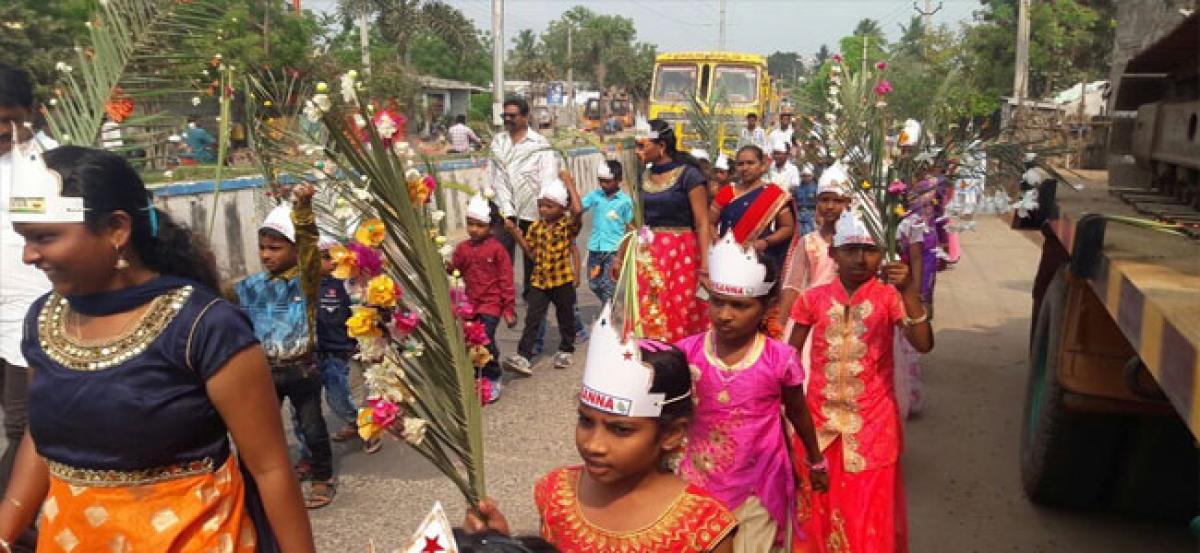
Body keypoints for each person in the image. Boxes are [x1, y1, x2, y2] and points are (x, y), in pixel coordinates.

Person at [0, 146, 315, 551]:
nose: (29, 256)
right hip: (72, 538)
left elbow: (271, 469)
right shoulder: (44, 319)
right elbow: (42, 435)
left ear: (117, 229)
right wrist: (8, 522)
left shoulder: (205, 326)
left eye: (45, 237)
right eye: (24, 238)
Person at [466, 306, 739, 552]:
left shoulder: (703, 528)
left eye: (620, 430)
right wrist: (506, 544)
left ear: (671, 434)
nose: (594, 445)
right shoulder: (557, 494)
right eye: (586, 421)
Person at [788, 211, 933, 553]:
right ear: (833, 254)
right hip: (817, 426)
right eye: (850, 249)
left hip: (872, 427)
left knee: (866, 512)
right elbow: (789, 359)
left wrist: (909, 290)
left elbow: (923, 343)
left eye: (869, 250)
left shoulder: (888, 297)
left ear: (881, 255)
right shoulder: (813, 298)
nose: (859, 258)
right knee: (815, 510)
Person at [677, 236, 827, 552]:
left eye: (740, 306)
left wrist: (815, 461)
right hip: (699, 479)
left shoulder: (779, 358)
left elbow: (797, 411)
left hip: (759, 482)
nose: (725, 315)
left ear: (766, 308)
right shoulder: (687, 353)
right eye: (717, 302)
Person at [234, 185, 336, 509]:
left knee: (312, 426)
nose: (266, 255)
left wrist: (303, 210)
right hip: (266, 373)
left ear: (294, 251)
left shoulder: (305, 281)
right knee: (260, 430)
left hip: (302, 371)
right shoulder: (252, 286)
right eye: (262, 247)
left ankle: (322, 477)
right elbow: (219, 297)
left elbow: (308, 245)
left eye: (275, 248)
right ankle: (248, 483)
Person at [0, 64, 56, 553]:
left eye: (3, 128)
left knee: (26, 429)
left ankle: (23, 534)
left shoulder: (55, 167)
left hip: (33, 317)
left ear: (31, 114)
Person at [632, 119, 712, 342]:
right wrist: (622, 258)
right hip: (648, 254)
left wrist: (705, 266)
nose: (638, 151)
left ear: (661, 146)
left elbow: (702, 222)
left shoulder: (689, 176)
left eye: (642, 145)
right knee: (647, 309)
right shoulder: (642, 178)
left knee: (679, 311)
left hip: (681, 254)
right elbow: (635, 223)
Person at [502, 175, 582, 374]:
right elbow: (530, 252)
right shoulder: (536, 227)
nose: (544, 210)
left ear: (562, 208)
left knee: (566, 316)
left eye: (549, 206)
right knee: (532, 318)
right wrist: (515, 233)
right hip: (540, 280)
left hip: (562, 280)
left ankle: (566, 348)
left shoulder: (567, 226)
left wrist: (569, 183)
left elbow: (578, 210)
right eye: (541, 206)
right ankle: (524, 356)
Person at [313, 236, 382, 452]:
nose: (332, 262)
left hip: (349, 351)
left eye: (335, 257)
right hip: (326, 352)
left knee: (356, 393)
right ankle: (356, 423)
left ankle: (370, 431)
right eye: (324, 258)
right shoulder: (310, 286)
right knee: (334, 398)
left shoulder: (349, 285)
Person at [488, 98, 559, 296]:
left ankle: (532, 296)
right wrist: (505, 210)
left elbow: (548, 178)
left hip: (532, 212)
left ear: (525, 117)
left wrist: (546, 210)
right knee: (501, 255)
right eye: (505, 115)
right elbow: (496, 177)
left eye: (513, 115)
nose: (508, 119)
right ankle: (503, 297)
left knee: (532, 258)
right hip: (503, 209)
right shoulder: (498, 142)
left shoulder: (539, 144)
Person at [452, 194, 517, 402]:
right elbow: (456, 269)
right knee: (471, 341)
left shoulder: (497, 249)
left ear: (490, 227)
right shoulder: (462, 248)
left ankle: (492, 376)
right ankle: (476, 376)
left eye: (479, 225)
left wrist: (508, 308)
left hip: (491, 304)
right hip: (470, 304)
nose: (473, 229)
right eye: (470, 224)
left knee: (484, 339)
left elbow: (506, 279)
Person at [778, 163, 851, 331]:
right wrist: (780, 325)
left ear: (847, 202)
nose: (830, 206)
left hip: (848, 316)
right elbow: (793, 286)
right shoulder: (809, 241)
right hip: (814, 318)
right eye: (825, 200)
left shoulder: (857, 242)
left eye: (837, 201)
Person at [711, 145, 795, 275]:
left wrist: (765, 242)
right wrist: (717, 242)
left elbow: (787, 227)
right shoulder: (726, 192)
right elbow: (709, 222)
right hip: (724, 259)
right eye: (740, 164)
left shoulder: (773, 194)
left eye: (750, 163)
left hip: (757, 260)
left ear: (762, 166)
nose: (745, 168)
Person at [580, 161, 632, 308]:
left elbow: (630, 227)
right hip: (595, 248)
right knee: (594, 284)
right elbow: (578, 207)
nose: (603, 185)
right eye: (601, 181)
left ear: (618, 179)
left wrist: (621, 256)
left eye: (607, 181)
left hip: (613, 251)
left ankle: (608, 313)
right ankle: (610, 306)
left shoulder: (625, 202)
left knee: (609, 285)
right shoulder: (595, 196)